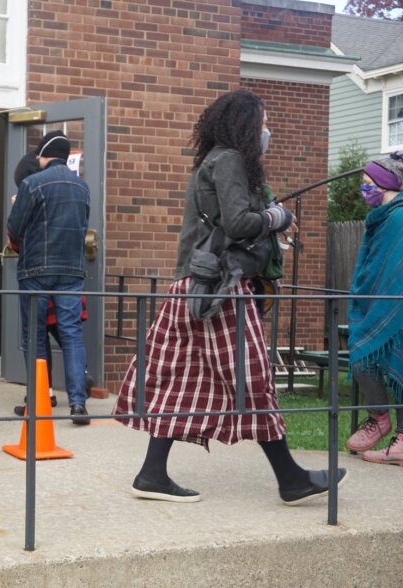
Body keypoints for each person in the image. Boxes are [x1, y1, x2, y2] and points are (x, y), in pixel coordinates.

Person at [114, 89, 347, 504]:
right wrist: (278, 216)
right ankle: (291, 480)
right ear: (244, 125)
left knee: (178, 379)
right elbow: (239, 224)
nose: (265, 131)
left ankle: (151, 474)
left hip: (193, 285)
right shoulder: (232, 160)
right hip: (221, 290)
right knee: (253, 378)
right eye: (261, 123)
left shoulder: (213, 160)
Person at [6, 131, 91, 425]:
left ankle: (39, 400)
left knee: (35, 336)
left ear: (43, 155)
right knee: (71, 335)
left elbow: (15, 229)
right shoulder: (82, 187)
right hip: (71, 271)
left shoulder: (32, 183)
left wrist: (17, 207)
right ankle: (78, 404)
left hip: (36, 271)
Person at [343, 152, 403, 465]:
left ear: (385, 183)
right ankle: (380, 418)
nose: (364, 190)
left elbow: (397, 269)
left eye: (368, 184)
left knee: (397, 365)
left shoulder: (399, 217)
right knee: (360, 355)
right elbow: (373, 269)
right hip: (380, 305)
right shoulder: (379, 218)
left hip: (397, 306)